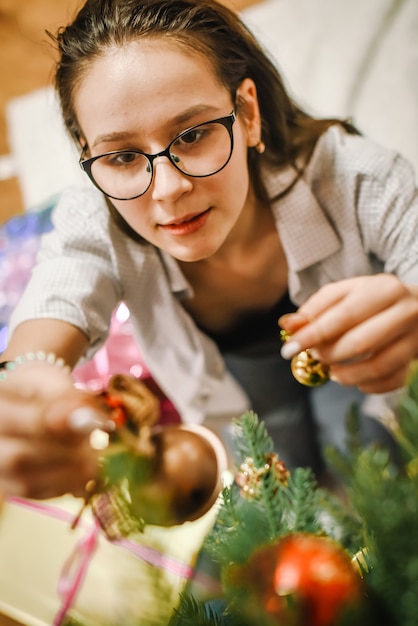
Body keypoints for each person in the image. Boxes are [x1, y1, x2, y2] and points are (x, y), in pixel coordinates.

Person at [0, 0, 417, 502]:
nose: (169, 189)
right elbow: (57, 298)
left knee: (372, 465)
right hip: (242, 383)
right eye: (124, 156)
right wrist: (24, 389)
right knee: (271, 482)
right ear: (89, 158)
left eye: (193, 134)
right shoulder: (93, 219)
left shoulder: (359, 178)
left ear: (248, 114)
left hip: (365, 375)